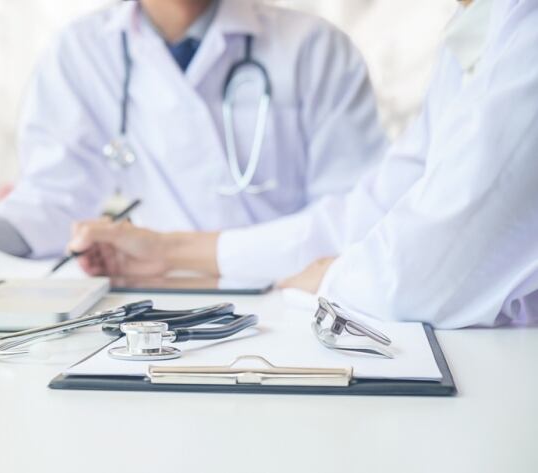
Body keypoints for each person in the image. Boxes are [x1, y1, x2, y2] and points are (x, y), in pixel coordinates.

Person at [69, 0, 538, 329]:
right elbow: (375, 210)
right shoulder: (473, 37)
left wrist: (330, 278)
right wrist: (165, 250)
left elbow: (423, 276)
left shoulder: (522, 32)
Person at [0, 0, 386, 268]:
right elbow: (55, 194)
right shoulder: (82, 50)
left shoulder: (315, 48)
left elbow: (353, 211)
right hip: (154, 297)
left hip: (297, 294)